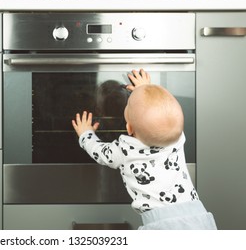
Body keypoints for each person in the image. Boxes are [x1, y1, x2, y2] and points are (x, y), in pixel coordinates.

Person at [72, 69, 217, 230]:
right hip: (197, 215)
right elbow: (164, 111)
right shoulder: (176, 138)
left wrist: (85, 134)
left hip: (162, 225)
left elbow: (99, 151)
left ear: (128, 127)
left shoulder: (125, 149)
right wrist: (146, 89)